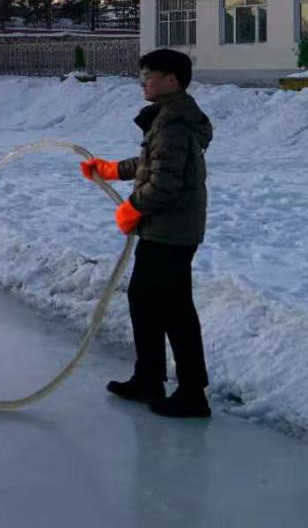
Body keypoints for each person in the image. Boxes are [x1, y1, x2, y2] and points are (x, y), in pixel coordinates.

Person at [80, 48, 214, 419]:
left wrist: (132, 207)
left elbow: (166, 185)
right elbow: (151, 163)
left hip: (171, 232)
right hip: (165, 229)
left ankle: (191, 393)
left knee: (173, 310)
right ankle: (148, 378)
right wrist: (111, 170)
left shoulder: (174, 124)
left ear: (171, 80)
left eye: (148, 76)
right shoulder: (170, 118)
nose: (143, 83)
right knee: (146, 303)